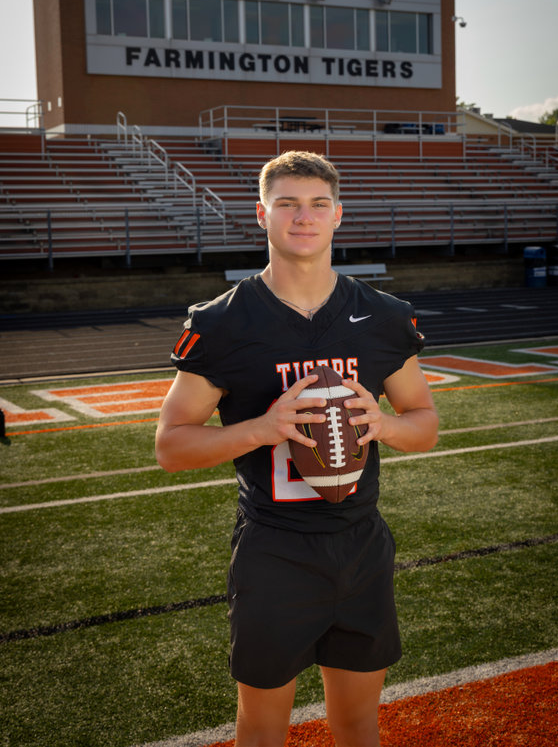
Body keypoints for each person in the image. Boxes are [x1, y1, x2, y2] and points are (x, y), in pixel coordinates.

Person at [156, 151, 438, 747]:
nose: (302, 217)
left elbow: (424, 423)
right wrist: (264, 427)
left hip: (362, 543)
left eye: (316, 205)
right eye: (287, 204)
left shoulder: (384, 317)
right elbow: (172, 446)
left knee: (359, 722)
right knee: (261, 727)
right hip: (273, 549)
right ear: (262, 215)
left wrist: (382, 426)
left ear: (339, 215)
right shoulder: (223, 324)